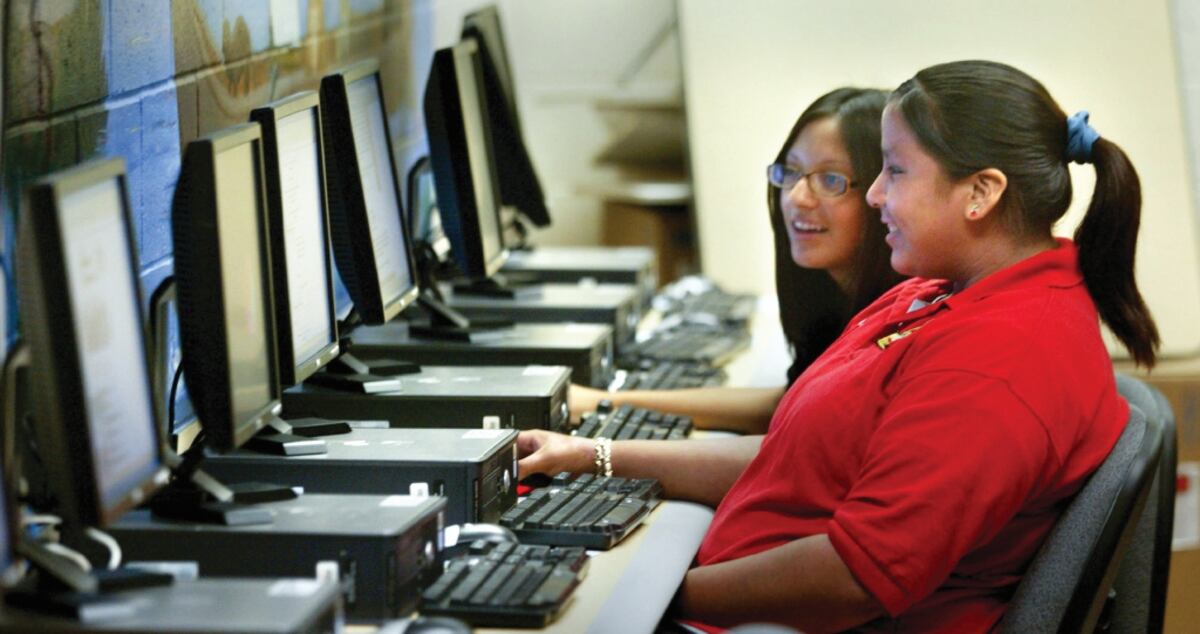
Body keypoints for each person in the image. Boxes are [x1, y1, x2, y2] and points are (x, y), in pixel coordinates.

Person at [518, 59, 1159, 632]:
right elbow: (799, 459)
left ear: (980, 193)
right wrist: (593, 455)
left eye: (895, 171)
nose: (875, 193)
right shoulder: (940, 293)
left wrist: (646, 600)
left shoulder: (1001, 357)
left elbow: (853, 580)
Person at [570, 87, 903, 432]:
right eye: (791, 172)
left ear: (883, 192)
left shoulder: (901, 322)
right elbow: (787, 407)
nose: (796, 197)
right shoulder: (832, 298)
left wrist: (598, 450)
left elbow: (799, 439)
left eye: (831, 179)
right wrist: (604, 402)